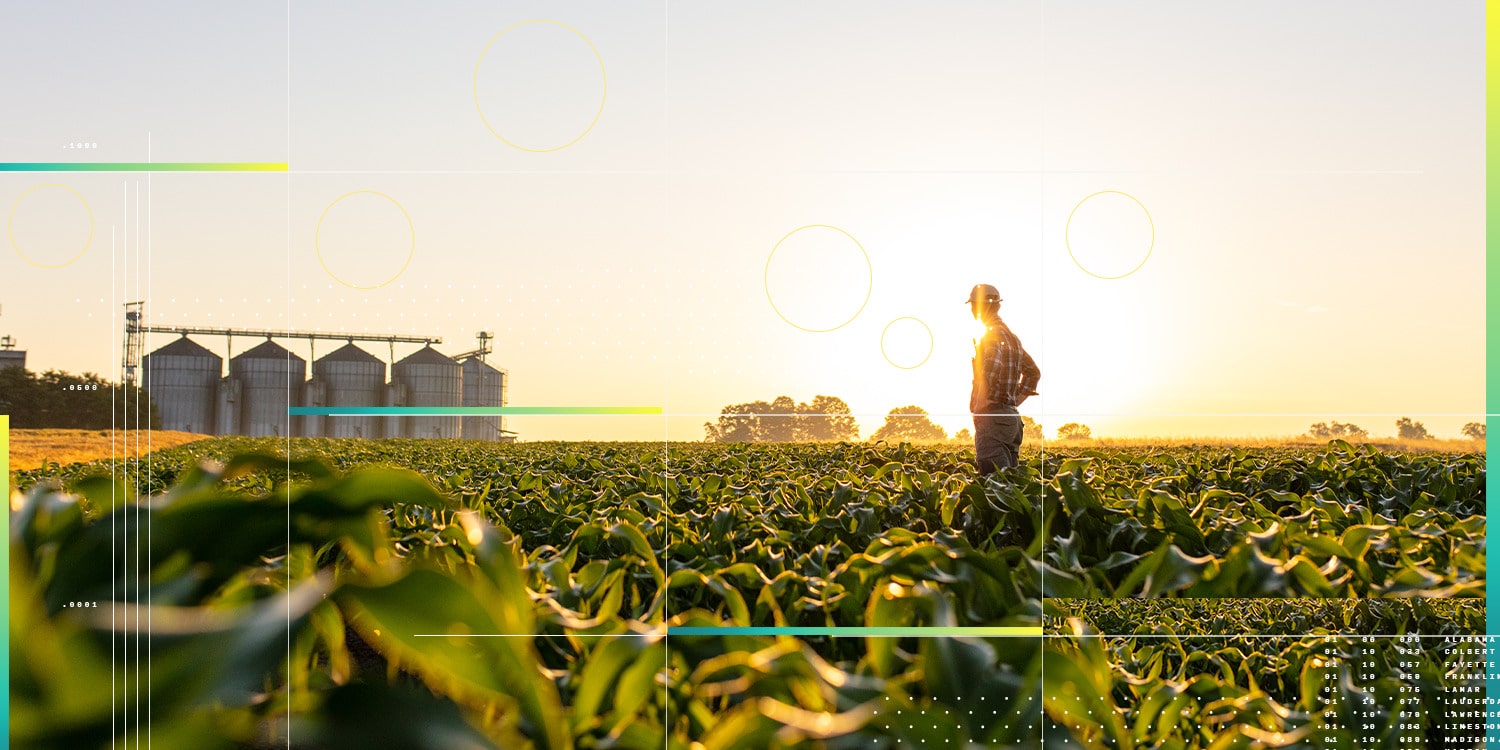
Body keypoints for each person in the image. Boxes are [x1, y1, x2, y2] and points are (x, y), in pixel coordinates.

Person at [968, 283, 1040, 475]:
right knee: (1012, 484)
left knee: (994, 483)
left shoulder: (990, 335)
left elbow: (992, 365)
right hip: (1011, 419)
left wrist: (981, 405)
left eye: (973, 305)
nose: (972, 309)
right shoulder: (1012, 338)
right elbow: (1034, 373)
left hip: (992, 418)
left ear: (980, 307)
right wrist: (1013, 402)